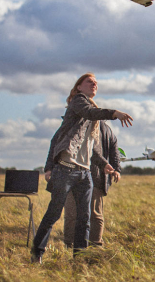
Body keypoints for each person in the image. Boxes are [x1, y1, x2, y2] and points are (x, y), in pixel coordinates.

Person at [31, 73, 133, 263]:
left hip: (85, 173)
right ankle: (37, 252)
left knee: (84, 218)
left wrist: (104, 164)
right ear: (78, 87)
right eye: (89, 81)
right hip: (65, 170)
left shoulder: (89, 119)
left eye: (96, 83)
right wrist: (114, 113)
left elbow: (91, 148)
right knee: (54, 213)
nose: (94, 84)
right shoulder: (78, 103)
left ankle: (79, 257)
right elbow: (58, 139)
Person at [63, 121, 121, 247]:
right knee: (73, 213)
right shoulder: (74, 123)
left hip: (95, 175)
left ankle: (94, 246)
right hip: (76, 174)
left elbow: (112, 150)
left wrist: (115, 168)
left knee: (93, 213)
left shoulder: (104, 129)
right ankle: (70, 245)